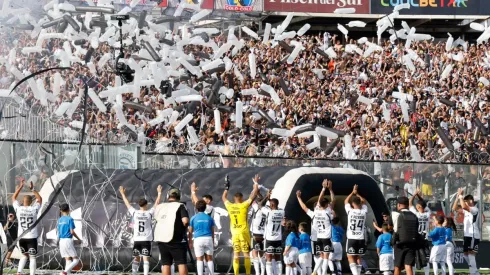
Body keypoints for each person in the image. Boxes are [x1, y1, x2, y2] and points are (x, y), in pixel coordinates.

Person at [120, 185, 163, 275]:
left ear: (139, 205)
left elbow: (127, 204)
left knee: (136, 258)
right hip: (146, 240)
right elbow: (157, 203)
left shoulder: (135, 212)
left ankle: (134, 273)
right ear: (146, 204)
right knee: (146, 259)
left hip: (137, 240)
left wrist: (123, 194)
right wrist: (159, 192)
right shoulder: (149, 213)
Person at [296, 179, 335, 275]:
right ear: (326, 205)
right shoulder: (328, 212)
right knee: (325, 256)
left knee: (320, 256)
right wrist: (330, 189)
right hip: (325, 237)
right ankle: (323, 273)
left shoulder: (314, 213)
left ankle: (314, 272)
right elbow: (333, 201)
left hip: (316, 238)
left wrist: (298, 197)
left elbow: (304, 207)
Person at [222, 174, 259, 275]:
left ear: (234, 199)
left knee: (236, 254)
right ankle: (247, 273)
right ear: (241, 198)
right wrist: (255, 183)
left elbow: (224, 198)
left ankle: (236, 274)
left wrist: (227, 187)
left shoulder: (230, 206)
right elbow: (254, 194)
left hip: (235, 233)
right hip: (243, 232)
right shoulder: (244, 205)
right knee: (246, 254)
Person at [154, 188, 190, 275]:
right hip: (176, 239)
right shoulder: (180, 206)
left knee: (166, 264)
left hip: (161, 239)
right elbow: (185, 220)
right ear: (178, 197)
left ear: (168, 196)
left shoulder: (160, 206)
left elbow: (155, 209)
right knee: (181, 263)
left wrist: (159, 193)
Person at [12, 179, 42, 275]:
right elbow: (40, 199)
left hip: (22, 237)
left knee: (24, 256)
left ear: (23, 201)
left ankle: (19, 272)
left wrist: (20, 186)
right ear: (31, 202)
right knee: (32, 257)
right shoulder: (34, 209)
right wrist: (32, 189)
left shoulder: (18, 209)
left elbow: (13, 197)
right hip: (32, 237)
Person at [452, 188, 480, 275]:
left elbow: (464, 206)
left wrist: (461, 195)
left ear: (471, 201)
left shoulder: (474, 209)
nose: (464, 202)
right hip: (467, 235)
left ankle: (473, 272)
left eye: (466, 201)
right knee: (465, 254)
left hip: (473, 235)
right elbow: (454, 208)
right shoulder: (466, 210)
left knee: (471, 254)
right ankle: (474, 270)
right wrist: (457, 197)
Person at [344, 185, 368, 275]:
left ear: (353, 204)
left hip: (351, 237)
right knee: (358, 257)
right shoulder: (364, 211)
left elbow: (345, 201)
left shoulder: (350, 211)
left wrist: (352, 192)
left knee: (350, 256)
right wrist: (357, 193)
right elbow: (364, 201)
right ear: (360, 203)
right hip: (361, 238)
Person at [393, 197, 419, 275]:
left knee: (397, 267)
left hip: (399, 244)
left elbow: (390, 227)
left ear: (399, 205)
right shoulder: (414, 215)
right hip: (411, 243)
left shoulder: (395, 214)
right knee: (408, 266)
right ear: (407, 205)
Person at [189, 200, 215, 275]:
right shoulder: (209, 218)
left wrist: (190, 241)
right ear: (205, 207)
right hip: (208, 238)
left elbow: (190, 231)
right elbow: (212, 231)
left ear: (196, 208)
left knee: (199, 259)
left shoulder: (193, 218)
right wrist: (212, 241)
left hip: (198, 239)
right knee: (209, 259)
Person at [409, 188, 431, 275]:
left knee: (414, 256)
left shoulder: (416, 214)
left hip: (417, 238)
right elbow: (424, 204)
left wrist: (415, 194)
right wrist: (419, 196)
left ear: (418, 207)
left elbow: (410, 203)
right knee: (426, 257)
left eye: (417, 205)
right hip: (425, 238)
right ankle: (427, 273)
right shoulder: (428, 214)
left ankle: (413, 273)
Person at [262, 194, 285, 275]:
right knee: (278, 258)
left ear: (271, 205)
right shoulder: (282, 212)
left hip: (269, 239)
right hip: (278, 238)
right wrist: (270, 200)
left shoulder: (268, 212)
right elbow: (275, 206)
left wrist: (267, 197)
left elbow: (261, 205)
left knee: (268, 258)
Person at [57, 203, 82, 275]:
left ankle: (67, 273)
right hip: (67, 240)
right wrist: (78, 239)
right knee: (76, 260)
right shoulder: (70, 219)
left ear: (61, 211)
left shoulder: (59, 220)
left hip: (61, 241)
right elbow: (72, 231)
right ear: (69, 210)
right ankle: (64, 272)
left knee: (68, 259)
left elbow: (58, 231)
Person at [250, 192, 268, 275]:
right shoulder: (267, 209)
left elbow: (251, 200)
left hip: (255, 233)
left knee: (254, 252)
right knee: (261, 253)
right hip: (263, 234)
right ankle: (263, 272)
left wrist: (255, 191)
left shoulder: (256, 206)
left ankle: (257, 272)